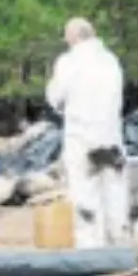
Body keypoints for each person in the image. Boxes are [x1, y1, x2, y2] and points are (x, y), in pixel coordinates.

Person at [45, 17, 130, 249]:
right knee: (115, 190)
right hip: (111, 136)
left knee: (85, 192)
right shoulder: (111, 60)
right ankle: (119, 242)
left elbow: (55, 96)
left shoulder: (69, 61)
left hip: (82, 136)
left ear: (72, 37)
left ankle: (91, 247)